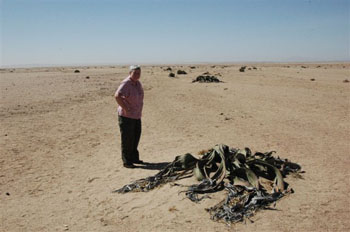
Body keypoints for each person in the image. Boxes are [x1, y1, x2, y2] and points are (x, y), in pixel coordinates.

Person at [114, 65, 144, 168]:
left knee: (135, 137)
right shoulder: (126, 83)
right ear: (130, 73)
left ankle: (134, 158)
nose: (137, 75)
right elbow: (117, 96)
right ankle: (127, 161)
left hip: (136, 115)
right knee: (127, 139)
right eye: (135, 73)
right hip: (126, 116)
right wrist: (125, 108)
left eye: (138, 73)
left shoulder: (137, 83)